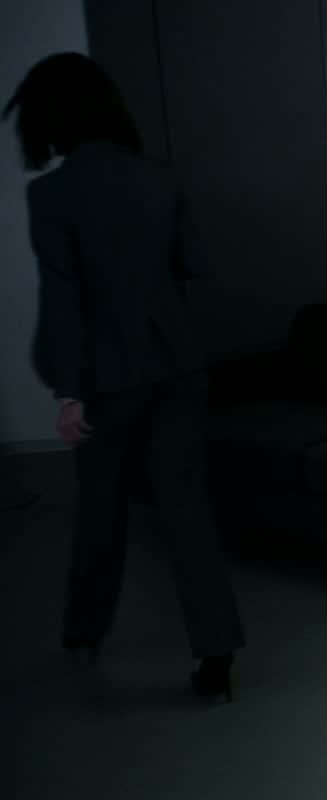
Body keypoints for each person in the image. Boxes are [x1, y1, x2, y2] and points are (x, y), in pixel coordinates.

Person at [5, 52, 244, 701]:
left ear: (48, 119)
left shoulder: (50, 195)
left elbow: (63, 301)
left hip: (104, 375)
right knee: (187, 507)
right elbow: (192, 262)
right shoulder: (159, 177)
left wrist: (67, 391)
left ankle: (83, 634)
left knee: (100, 507)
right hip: (177, 363)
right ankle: (216, 655)